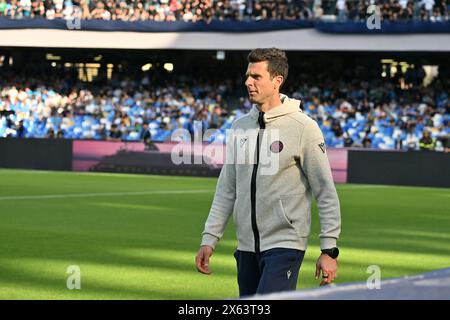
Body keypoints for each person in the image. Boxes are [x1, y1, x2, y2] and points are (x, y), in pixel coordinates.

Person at [195, 48, 341, 297]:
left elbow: (325, 190)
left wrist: (329, 250)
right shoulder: (240, 126)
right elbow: (227, 188)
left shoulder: (303, 127)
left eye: (256, 77)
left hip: (285, 245)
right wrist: (209, 238)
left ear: (277, 81)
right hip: (246, 248)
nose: (248, 82)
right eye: (247, 76)